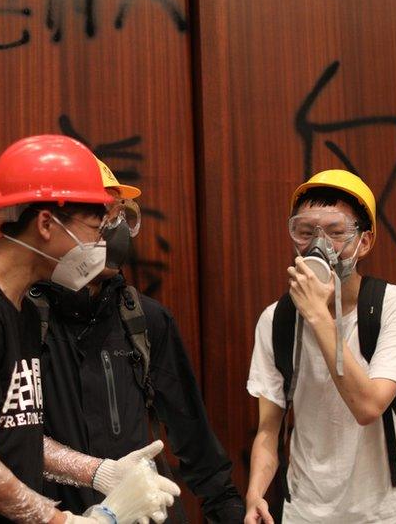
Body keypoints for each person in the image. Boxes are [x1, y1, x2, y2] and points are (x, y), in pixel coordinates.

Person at [0, 134, 179, 524]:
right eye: (96, 229)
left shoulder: (26, 312)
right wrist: (66, 522)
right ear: (46, 222)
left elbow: (16, 436)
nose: (101, 245)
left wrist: (100, 472)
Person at [34, 160, 245, 523]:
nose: (113, 234)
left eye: (120, 219)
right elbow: (3, 441)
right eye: (101, 220)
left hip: (147, 515)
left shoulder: (144, 319)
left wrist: (229, 512)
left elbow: (193, 438)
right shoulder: (22, 320)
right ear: (52, 227)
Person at [244, 170, 396, 523]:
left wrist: (317, 316)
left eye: (336, 232)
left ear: (365, 241)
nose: (319, 245)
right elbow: (269, 428)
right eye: (305, 231)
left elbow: (368, 406)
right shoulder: (275, 319)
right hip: (306, 511)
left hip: (387, 514)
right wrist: (255, 494)